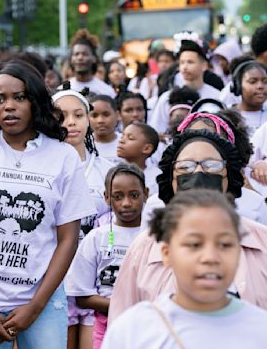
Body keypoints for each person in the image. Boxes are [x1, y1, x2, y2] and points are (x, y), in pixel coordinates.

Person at [0, 60, 96, 349]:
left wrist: (35, 307)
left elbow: (68, 239)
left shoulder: (63, 157)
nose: (9, 107)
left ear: (35, 101)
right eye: (0, 99)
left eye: (19, 98)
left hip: (43, 301)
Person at [108, 130, 267, 324]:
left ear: (229, 177)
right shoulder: (145, 246)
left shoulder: (261, 241)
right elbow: (123, 320)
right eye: (185, 167)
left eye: (212, 166)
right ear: (171, 180)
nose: (199, 173)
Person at [103, 189, 267, 348]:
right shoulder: (133, 331)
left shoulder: (261, 329)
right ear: (167, 254)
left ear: (239, 253)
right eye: (194, 244)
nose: (210, 257)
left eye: (224, 245)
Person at [52, 85, 114, 349]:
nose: (71, 123)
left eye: (78, 115)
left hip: (94, 281)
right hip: (55, 278)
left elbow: (115, 224)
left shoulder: (107, 169)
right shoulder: (44, 167)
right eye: (62, 116)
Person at [66, 164, 146, 349]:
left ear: (146, 193)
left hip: (146, 325)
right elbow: (81, 296)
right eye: (118, 197)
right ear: (107, 198)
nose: (126, 203)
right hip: (106, 324)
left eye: (134, 195)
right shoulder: (95, 238)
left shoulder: (155, 237)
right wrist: (124, 305)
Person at [150, 40, 220, 135]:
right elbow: (157, 131)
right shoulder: (167, 97)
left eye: (190, 62)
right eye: (182, 63)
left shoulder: (217, 96)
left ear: (204, 66)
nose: (184, 67)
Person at [68, 30, 115, 98]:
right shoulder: (63, 91)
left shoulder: (106, 91)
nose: (80, 58)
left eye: (85, 54)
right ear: (71, 59)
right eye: (76, 54)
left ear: (94, 58)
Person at [117, 122, 161, 194]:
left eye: (130, 138)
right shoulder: (110, 171)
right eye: (122, 137)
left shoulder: (156, 178)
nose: (121, 141)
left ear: (147, 148)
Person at [231, 60, 267, 136]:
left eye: (265, 81)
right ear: (238, 86)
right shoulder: (227, 117)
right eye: (253, 81)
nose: (260, 86)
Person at [88, 95, 121, 165]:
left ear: (117, 115)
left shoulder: (127, 143)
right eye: (94, 116)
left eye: (106, 115)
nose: (100, 120)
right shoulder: (83, 146)